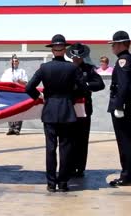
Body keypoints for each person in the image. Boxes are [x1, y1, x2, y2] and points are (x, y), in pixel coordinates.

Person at [26, 34, 86, 193]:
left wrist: (40, 97)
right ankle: (63, 182)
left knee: (50, 148)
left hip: (50, 109)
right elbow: (83, 89)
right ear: (65, 50)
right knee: (66, 148)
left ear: (53, 50)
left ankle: (51, 183)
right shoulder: (73, 68)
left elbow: (28, 88)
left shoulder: (44, 68)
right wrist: (71, 98)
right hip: (67, 110)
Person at [66, 42, 105, 178]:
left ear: (83, 57)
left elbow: (100, 84)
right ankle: (69, 166)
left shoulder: (89, 69)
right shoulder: (67, 68)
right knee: (69, 139)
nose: (76, 59)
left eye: (79, 57)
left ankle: (80, 168)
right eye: (74, 57)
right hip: (69, 109)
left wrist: (85, 84)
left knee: (82, 140)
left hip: (84, 108)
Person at [107, 30, 131, 187]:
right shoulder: (125, 59)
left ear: (120, 44)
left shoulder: (124, 60)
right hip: (126, 105)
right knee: (125, 141)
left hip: (124, 107)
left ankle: (127, 176)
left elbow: (124, 85)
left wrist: (119, 106)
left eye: (114, 44)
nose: (112, 47)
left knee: (125, 141)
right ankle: (127, 174)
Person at [0, 54, 28, 135]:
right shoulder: (7, 71)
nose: (14, 63)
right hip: (10, 93)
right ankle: (11, 128)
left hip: (19, 93)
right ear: (10, 62)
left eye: (16, 61)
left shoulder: (22, 71)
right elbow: (2, 81)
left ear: (18, 62)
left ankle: (17, 128)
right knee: (10, 110)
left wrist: (19, 81)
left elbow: (25, 82)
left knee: (19, 110)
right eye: (13, 61)